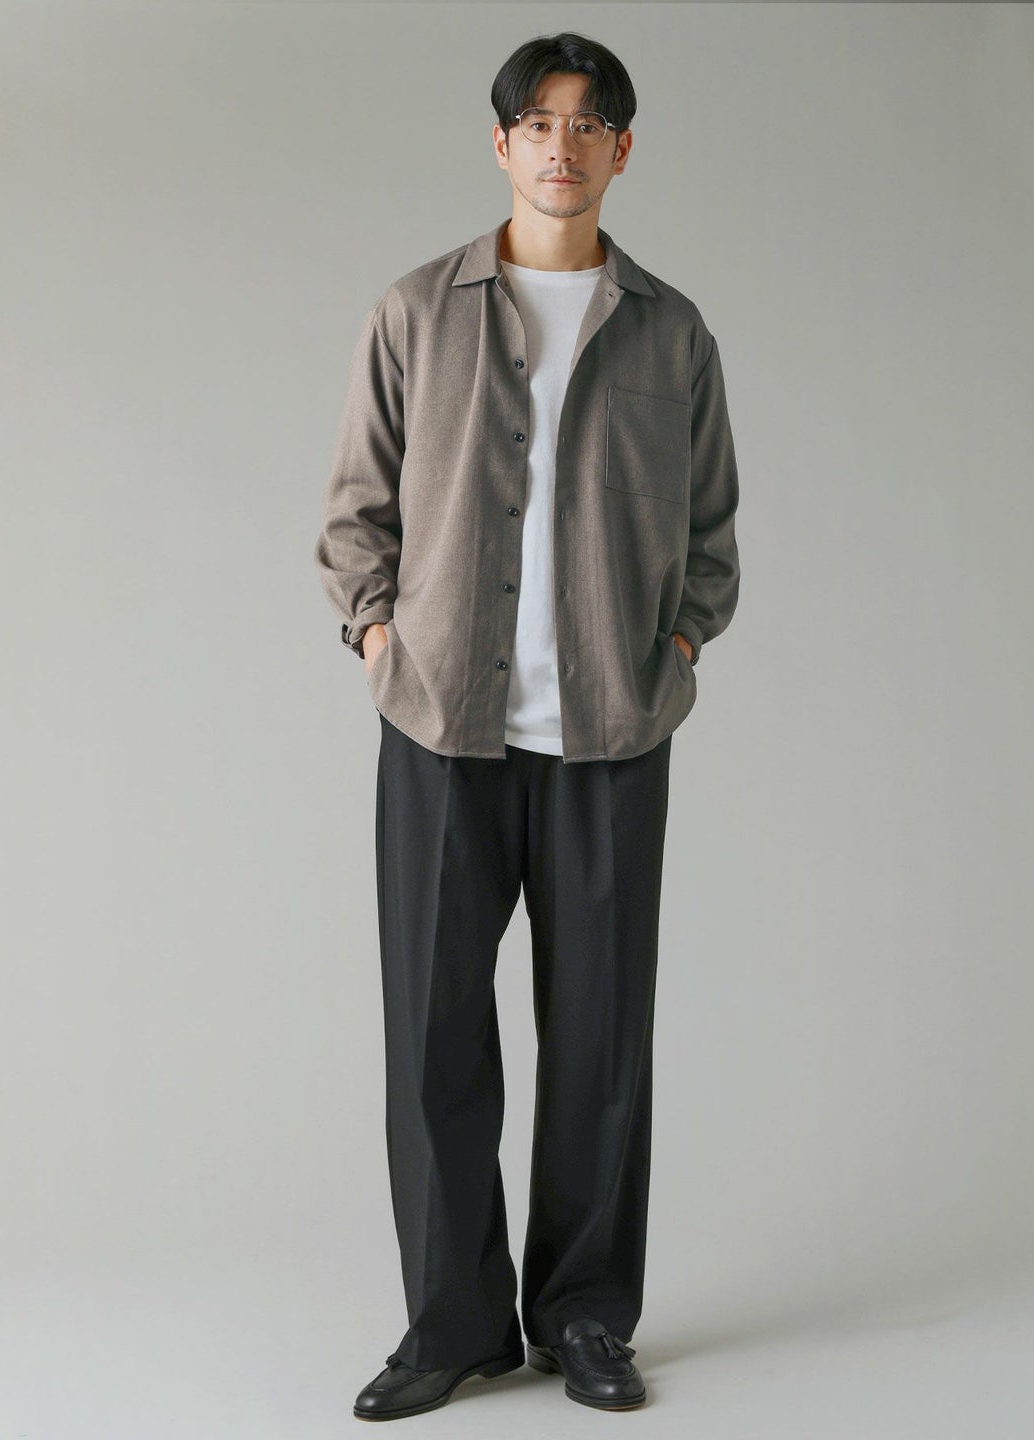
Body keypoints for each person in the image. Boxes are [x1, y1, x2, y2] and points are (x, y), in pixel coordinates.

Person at [315, 30, 740, 1421]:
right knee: (434, 1034)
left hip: (611, 734)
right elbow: (354, 515)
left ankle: (584, 1318)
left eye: (589, 123)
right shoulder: (414, 313)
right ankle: (451, 1324)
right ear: (501, 144)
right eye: (539, 122)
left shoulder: (671, 332)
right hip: (444, 727)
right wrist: (381, 641)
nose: (563, 145)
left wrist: (676, 651)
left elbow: (712, 535)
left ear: (623, 150)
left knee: (602, 1038)